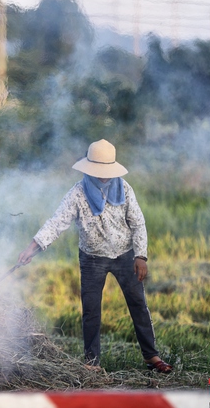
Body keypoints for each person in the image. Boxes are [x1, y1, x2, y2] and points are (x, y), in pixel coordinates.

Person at [17, 139, 172, 374]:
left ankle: (152, 357)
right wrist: (33, 246)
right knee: (91, 311)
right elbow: (57, 222)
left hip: (124, 255)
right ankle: (92, 363)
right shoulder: (77, 193)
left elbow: (138, 223)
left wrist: (141, 255)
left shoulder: (125, 189)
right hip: (92, 259)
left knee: (138, 304)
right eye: (98, 171)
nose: (103, 176)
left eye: (106, 171)